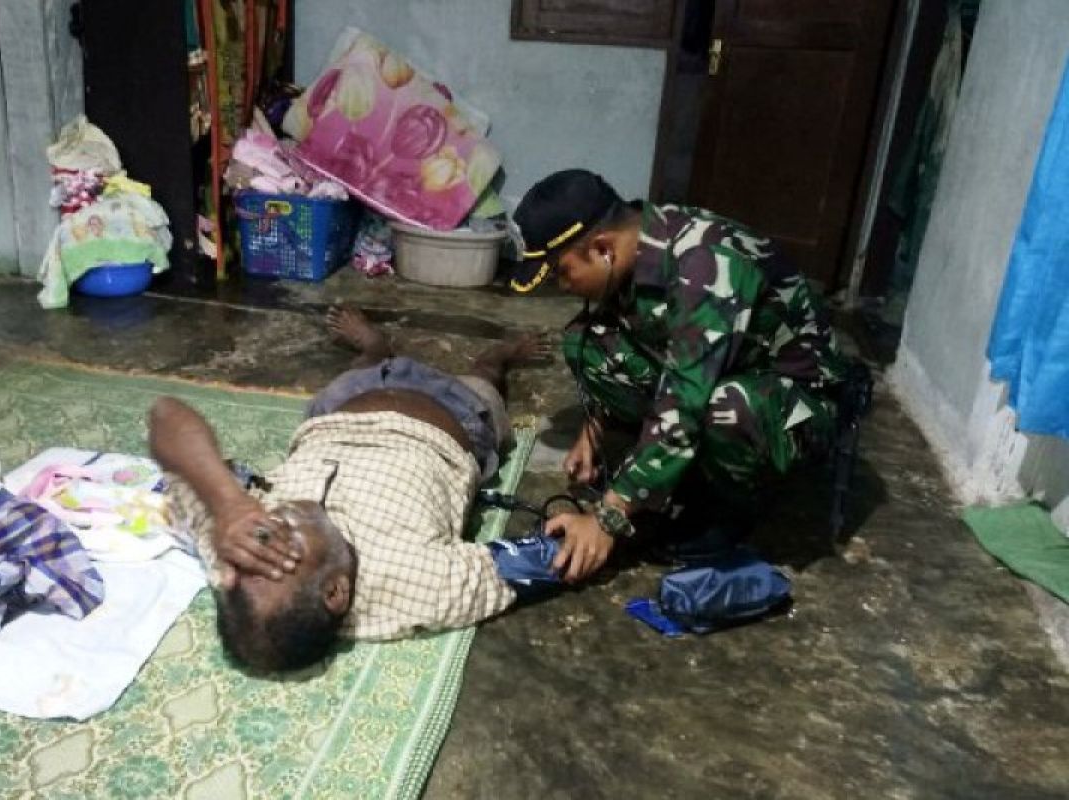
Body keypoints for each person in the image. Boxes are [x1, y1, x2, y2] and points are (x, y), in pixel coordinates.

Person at [149, 306, 548, 673]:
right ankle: (500, 356)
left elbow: (164, 414)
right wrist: (599, 524)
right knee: (484, 378)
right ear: (336, 590)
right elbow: (548, 558)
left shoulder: (233, 541)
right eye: (281, 552)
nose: (274, 521)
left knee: (362, 367)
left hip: (341, 406)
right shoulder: (419, 584)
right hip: (455, 412)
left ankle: (376, 348)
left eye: (256, 544)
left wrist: (229, 503)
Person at [508, 169, 849, 583]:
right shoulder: (640, 244)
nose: (563, 287)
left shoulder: (706, 263)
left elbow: (685, 397)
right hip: (721, 366)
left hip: (793, 399)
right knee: (585, 343)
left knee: (727, 406)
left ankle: (727, 511)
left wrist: (610, 516)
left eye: (562, 271)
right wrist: (597, 423)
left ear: (602, 249)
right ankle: (666, 466)